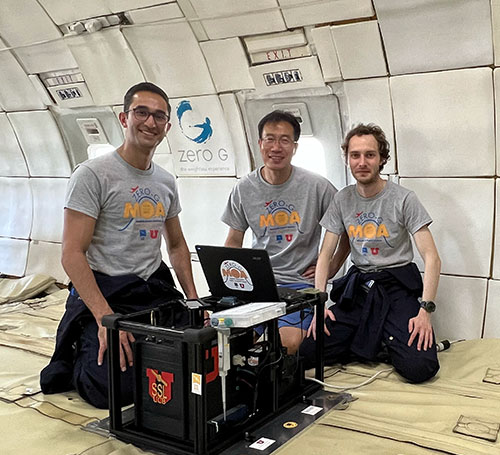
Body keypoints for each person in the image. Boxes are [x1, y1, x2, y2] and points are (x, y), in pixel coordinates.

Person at [41, 82, 200, 408]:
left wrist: (194, 301)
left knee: (198, 357)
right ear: (124, 118)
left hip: (150, 290)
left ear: (167, 127)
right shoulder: (92, 175)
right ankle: (77, 354)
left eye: (159, 116)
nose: (150, 122)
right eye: (141, 112)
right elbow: (72, 254)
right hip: (107, 292)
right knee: (111, 391)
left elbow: (177, 245)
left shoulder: (165, 182)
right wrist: (104, 319)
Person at [306, 123, 441, 383]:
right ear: (347, 159)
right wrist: (318, 306)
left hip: (396, 286)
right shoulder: (342, 199)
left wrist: (425, 311)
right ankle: (380, 340)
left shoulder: (404, 199)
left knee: (420, 368)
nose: (362, 162)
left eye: (370, 155)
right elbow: (325, 254)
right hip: (361, 287)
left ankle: (383, 339)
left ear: (381, 159)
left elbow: (432, 257)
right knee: (309, 352)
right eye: (355, 155)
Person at [222, 110, 349, 354]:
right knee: (224, 343)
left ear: (294, 147)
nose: (276, 147)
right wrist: (229, 283)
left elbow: (346, 230)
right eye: (269, 139)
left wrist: (332, 267)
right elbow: (234, 240)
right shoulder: (243, 188)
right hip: (255, 286)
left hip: (299, 287)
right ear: (259, 144)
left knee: (282, 345)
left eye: (284, 140)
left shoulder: (317, 186)